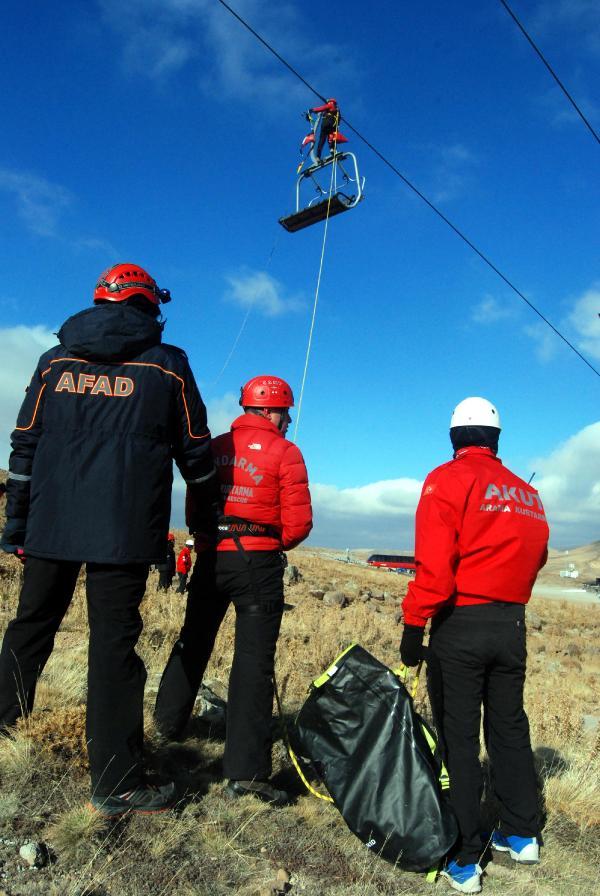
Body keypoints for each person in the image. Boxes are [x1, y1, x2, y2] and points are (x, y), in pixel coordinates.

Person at [0, 263, 217, 818]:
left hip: (50, 523)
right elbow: (196, 449)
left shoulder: (55, 362)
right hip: (124, 530)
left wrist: (17, 525)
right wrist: (208, 518)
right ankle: (116, 781)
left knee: (30, 625)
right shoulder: (168, 366)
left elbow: (23, 446)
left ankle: (2, 721)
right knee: (113, 647)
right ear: (149, 305)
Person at [400, 397, 549, 894]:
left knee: (458, 737)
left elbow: (436, 567)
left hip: (460, 622)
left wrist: (413, 624)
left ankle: (466, 856)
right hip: (512, 625)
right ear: (497, 440)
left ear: (453, 438)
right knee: (509, 727)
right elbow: (538, 555)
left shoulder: (445, 479)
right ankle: (522, 832)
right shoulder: (527, 494)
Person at [155, 375, 312, 805]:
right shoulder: (287, 452)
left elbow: (194, 505)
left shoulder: (214, 447)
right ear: (271, 410)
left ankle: (165, 727)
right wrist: (268, 541)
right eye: (285, 412)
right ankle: (245, 772)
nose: (287, 420)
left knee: (194, 641)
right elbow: (298, 524)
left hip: (212, 556)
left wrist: (209, 538)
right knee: (252, 662)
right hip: (257, 563)